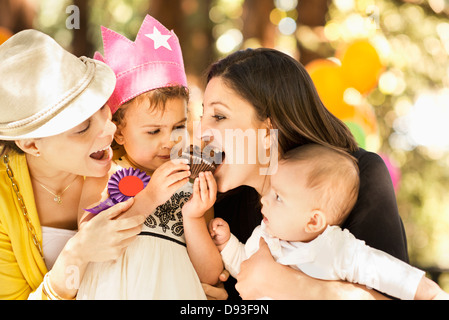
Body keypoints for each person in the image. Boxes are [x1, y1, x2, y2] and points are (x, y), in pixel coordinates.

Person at [199, 48, 410, 299]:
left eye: (219, 116)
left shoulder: (360, 177)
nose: (202, 131)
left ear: (268, 130)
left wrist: (287, 284)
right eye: (203, 116)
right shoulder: (220, 205)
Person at [76, 15, 220, 299]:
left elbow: (210, 274)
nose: (169, 141)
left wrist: (193, 217)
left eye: (179, 127)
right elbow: (87, 238)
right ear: (119, 133)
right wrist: (150, 197)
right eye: (153, 131)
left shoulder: (193, 182)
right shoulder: (104, 173)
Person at [0, 29, 145, 299]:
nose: (109, 129)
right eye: (82, 128)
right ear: (31, 145)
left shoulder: (134, 158)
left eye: (102, 107)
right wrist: (77, 253)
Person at [205, 144, 449, 300]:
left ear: (313, 221)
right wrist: (228, 245)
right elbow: (245, 271)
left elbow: (384, 271)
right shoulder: (263, 238)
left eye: (278, 197)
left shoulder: (333, 248)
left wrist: (430, 294)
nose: (264, 201)